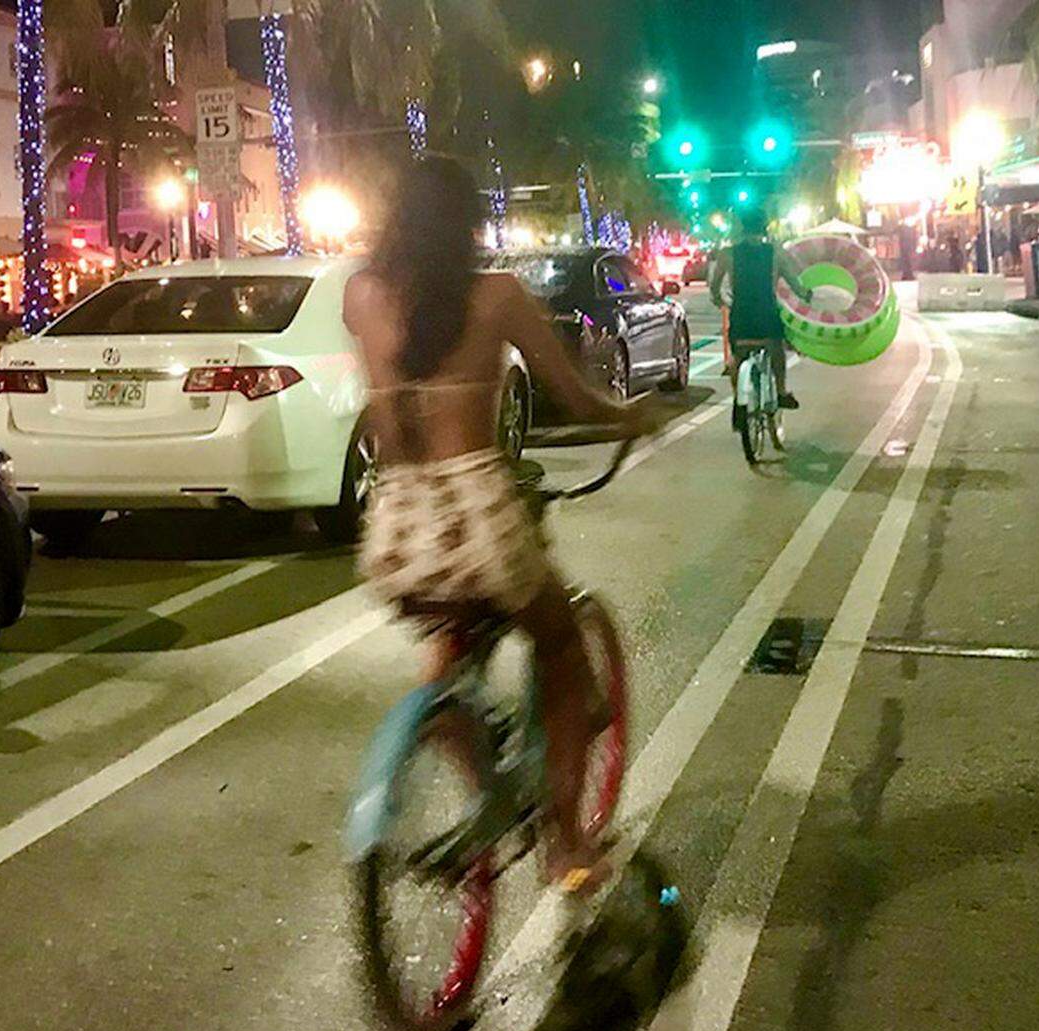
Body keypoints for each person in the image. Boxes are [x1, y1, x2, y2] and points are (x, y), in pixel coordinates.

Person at [344, 158, 660, 891]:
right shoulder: (499, 296)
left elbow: (385, 421)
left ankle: (467, 754)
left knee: (447, 641)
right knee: (561, 655)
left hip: (397, 524)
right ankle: (568, 844)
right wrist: (629, 418)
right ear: (468, 226)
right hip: (480, 513)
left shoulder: (362, 294)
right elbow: (575, 398)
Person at [710, 206, 810, 413]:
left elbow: (714, 286)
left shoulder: (727, 254)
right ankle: (781, 392)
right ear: (764, 228)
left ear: (742, 228)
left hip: (742, 317)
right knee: (777, 350)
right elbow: (796, 287)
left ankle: (739, 401)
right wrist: (810, 296)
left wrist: (720, 300)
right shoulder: (776, 254)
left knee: (737, 356)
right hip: (767, 316)